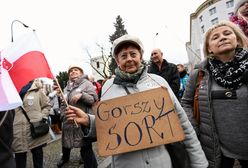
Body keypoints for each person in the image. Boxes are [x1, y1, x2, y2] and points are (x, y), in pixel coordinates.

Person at [65, 34, 208, 168]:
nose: (129, 59)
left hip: (161, 162)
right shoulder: (108, 87)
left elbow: (183, 124)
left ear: (140, 56)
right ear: (117, 60)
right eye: (123, 56)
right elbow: (110, 125)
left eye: (133, 54)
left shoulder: (158, 82)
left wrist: (199, 164)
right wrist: (89, 120)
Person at [181, 21, 248, 168]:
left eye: (227, 33)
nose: (222, 38)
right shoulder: (199, 74)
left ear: (237, 40)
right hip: (218, 151)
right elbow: (186, 102)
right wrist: (194, 128)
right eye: (215, 37)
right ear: (209, 48)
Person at [57, 65, 98, 168]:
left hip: (82, 121)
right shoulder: (66, 88)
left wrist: (82, 95)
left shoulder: (87, 83)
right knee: (66, 142)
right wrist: (63, 116)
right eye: (70, 71)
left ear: (81, 72)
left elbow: (94, 99)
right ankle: (65, 158)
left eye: (76, 70)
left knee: (85, 147)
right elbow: (62, 104)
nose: (73, 72)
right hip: (68, 121)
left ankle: (90, 165)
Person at [12, 80, 51, 168]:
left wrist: (43, 117)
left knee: (37, 154)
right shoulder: (10, 93)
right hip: (17, 131)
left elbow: (46, 105)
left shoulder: (37, 90)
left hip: (35, 128)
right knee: (20, 158)